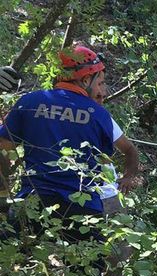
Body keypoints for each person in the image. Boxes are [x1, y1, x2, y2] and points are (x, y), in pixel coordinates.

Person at [0, 45, 140, 218]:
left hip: (32, 204)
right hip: (84, 209)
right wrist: (128, 177)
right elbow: (122, 152)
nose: (103, 92)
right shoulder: (98, 114)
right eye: (100, 83)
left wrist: (3, 195)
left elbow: (3, 148)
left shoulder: (29, 102)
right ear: (86, 80)